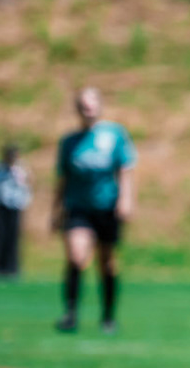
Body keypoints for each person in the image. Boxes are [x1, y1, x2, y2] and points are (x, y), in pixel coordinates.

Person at [53, 87, 136, 334]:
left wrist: (126, 199)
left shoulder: (114, 135)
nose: (88, 109)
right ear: (77, 108)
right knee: (76, 257)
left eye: (92, 105)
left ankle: (108, 316)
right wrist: (55, 210)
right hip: (78, 207)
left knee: (107, 263)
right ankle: (71, 313)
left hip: (107, 206)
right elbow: (62, 179)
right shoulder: (69, 142)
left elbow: (125, 169)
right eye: (83, 105)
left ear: (100, 106)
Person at [0, 143, 31, 281]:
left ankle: (13, 268)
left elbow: (27, 186)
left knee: (14, 237)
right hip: (1, 205)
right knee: (1, 237)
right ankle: (0, 268)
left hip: (16, 206)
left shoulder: (21, 170)